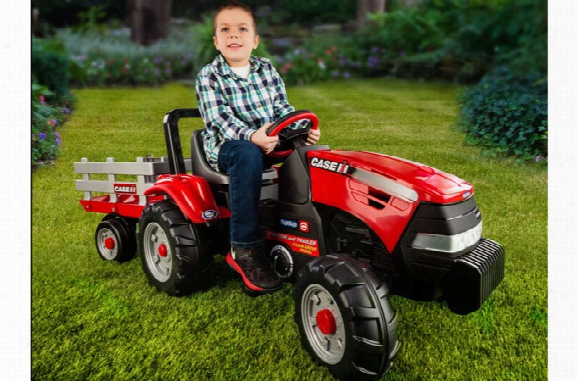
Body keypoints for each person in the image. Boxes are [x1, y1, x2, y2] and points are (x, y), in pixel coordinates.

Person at [195, 1, 321, 296]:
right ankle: (244, 248)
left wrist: (301, 130)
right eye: (225, 30)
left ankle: (312, 224)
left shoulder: (266, 69)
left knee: (313, 152)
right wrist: (251, 136)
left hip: (270, 140)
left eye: (242, 29)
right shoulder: (209, 76)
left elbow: (282, 109)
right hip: (228, 148)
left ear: (255, 40)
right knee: (246, 153)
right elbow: (218, 119)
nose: (233, 36)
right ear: (216, 42)